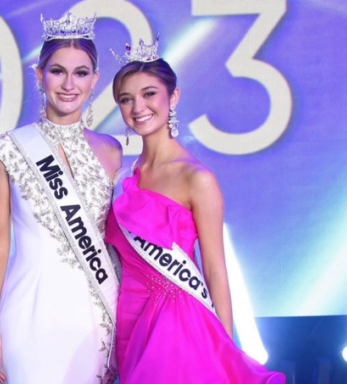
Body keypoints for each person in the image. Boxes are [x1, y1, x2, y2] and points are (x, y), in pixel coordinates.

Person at [105, 38, 285, 383]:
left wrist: (225, 351)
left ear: (173, 97)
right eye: (126, 99)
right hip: (128, 316)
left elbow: (216, 270)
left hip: (178, 318)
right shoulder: (125, 175)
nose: (137, 106)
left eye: (149, 94)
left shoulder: (196, 178)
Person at [0, 12, 121, 384]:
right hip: (29, 314)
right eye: (58, 71)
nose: (69, 84)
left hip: (95, 318)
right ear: (40, 76)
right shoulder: (8, 149)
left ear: (94, 81)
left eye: (81, 72)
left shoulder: (111, 151)